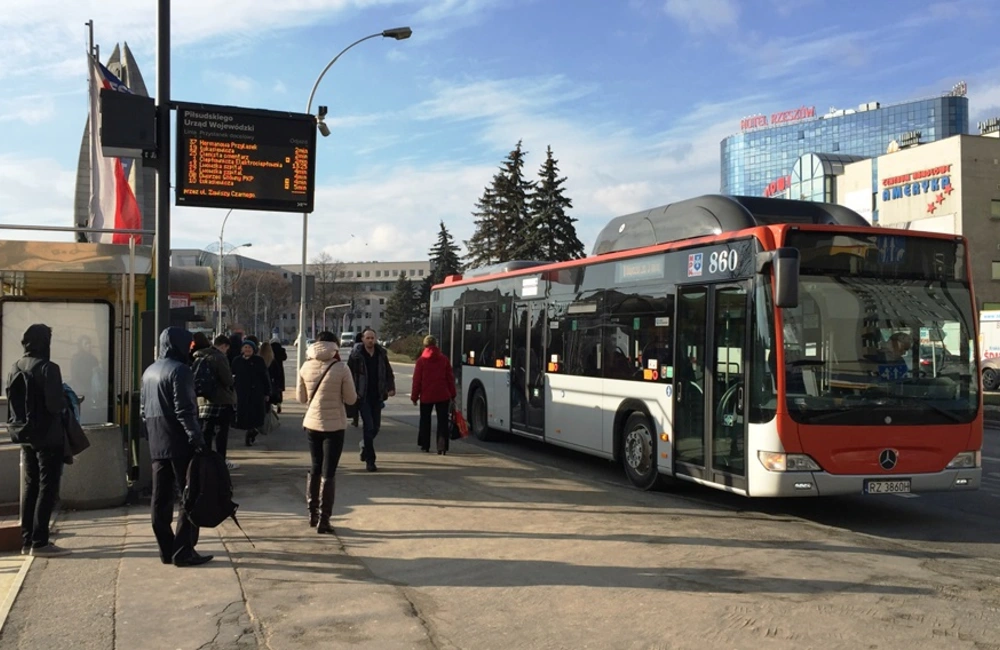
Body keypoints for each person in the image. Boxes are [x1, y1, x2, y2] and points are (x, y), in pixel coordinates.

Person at [140, 327, 212, 567]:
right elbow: (185, 409)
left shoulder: (149, 371)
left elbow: (143, 410)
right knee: (189, 494)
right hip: (179, 439)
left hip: (157, 438)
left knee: (160, 496)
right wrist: (197, 438)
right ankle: (183, 550)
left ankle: (166, 547)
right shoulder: (181, 371)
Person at [8, 324, 70, 557]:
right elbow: (55, 405)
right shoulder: (49, 368)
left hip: (25, 434)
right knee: (48, 486)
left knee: (31, 485)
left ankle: (27, 540)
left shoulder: (15, 367)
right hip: (48, 436)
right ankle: (41, 541)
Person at [297, 331, 357, 533]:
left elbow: (301, 398)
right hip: (334, 426)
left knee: (315, 466)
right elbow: (351, 399)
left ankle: (312, 514)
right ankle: (325, 519)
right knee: (328, 471)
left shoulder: (305, 366)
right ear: (335, 346)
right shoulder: (341, 367)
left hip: (312, 424)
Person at [348, 328, 395, 472]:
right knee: (368, 427)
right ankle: (370, 460)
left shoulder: (381, 354)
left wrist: (390, 387)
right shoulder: (356, 355)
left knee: (376, 427)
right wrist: (351, 392)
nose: (370, 340)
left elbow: (388, 371)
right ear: (362, 339)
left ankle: (364, 445)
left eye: (372, 338)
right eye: (367, 337)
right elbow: (349, 374)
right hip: (363, 396)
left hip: (377, 395)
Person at [193, 335, 238, 470]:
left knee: (206, 431)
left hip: (203, 401)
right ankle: (220, 462)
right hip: (221, 400)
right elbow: (227, 380)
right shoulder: (219, 357)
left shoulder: (198, 356)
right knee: (221, 433)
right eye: (226, 348)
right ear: (224, 346)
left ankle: (204, 462)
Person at [411, 335, 456, 455]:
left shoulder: (421, 361)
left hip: (426, 395)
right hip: (443, 395)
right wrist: (453, 394)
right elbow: (450, 378)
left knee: (425, 420)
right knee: (442, 421)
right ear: (436, 345)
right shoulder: (444, 359)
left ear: (424, 345)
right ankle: (442, 447)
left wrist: (414, 397)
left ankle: (425, 445)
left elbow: (417, 380)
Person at [231, 339, 271, 447]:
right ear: (242, 349)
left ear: (254, 349)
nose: (247, 349)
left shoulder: (259, 361)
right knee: (243, 415)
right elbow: (232, 375)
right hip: (241, 392)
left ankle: (253, 432)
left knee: (256, 415)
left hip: (256, 392)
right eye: (245, 347)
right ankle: (249, 432)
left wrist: (267, 392)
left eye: (249, 348)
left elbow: (265, 377)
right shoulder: (237, 361)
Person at [269, 338, 288, 414]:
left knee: (270, 386)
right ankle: (279, 402)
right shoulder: (281, 349)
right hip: (280, 369)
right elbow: (284, 358)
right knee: (279, 387)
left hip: (271, 369)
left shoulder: (269, 349)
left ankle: (270, 404)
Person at [350, 331, 363, 427]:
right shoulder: (367, 349)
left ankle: (355, 420)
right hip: (364, 379)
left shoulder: (354, 351)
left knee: (355, 402)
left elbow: (349, 366)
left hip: (354, 379)